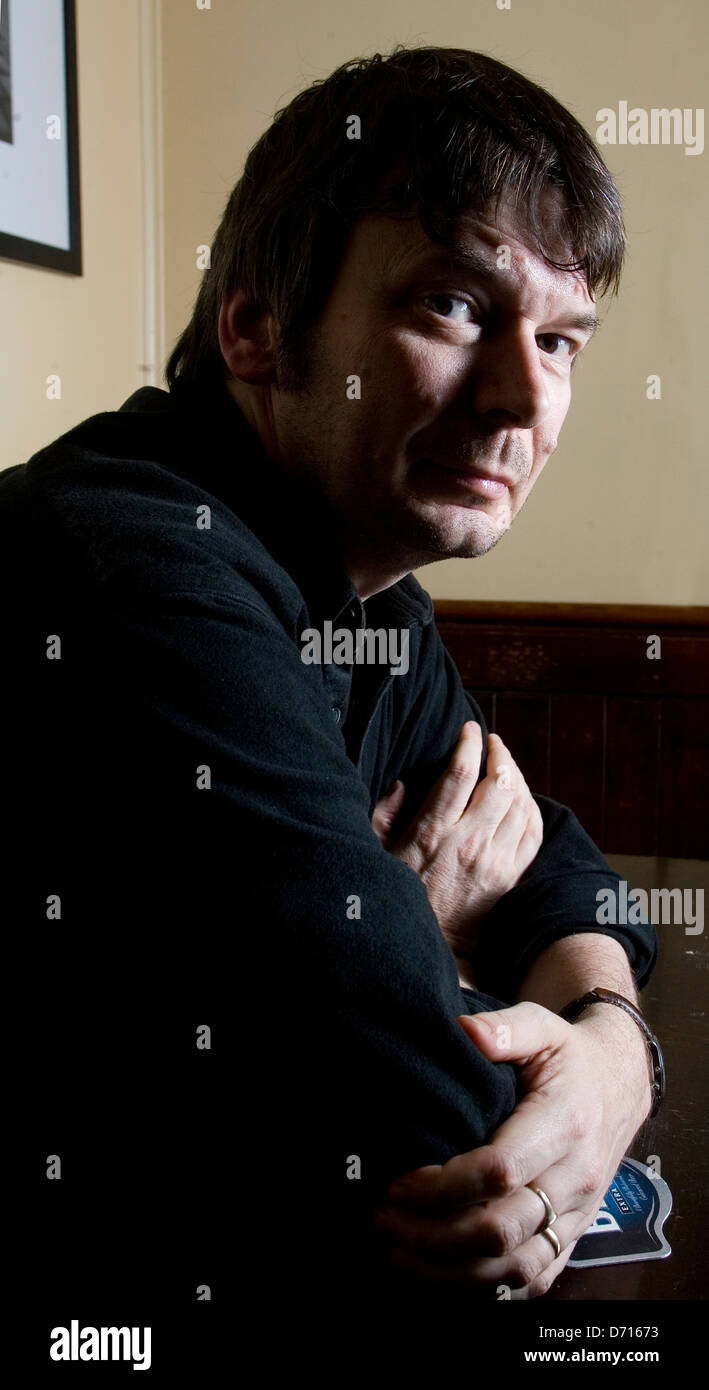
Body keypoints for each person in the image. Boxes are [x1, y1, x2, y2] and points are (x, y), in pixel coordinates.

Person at [4, 47, 658, 1324]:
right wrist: (425, 930)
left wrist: (608, 1054)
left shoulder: (364, 590)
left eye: (564, 338)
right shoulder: (129, 561)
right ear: (256, 324)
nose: (525, 395)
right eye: (457, 307)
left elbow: (566, 874)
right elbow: (431, 1132)